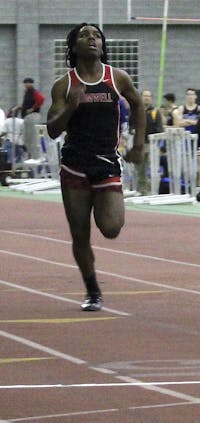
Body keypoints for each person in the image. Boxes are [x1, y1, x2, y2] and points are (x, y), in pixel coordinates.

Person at [46, 22, 145, 311]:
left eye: (97, 36)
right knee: (80, 234)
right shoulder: (64, 85)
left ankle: (93, 285)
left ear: (102, 45)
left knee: (112, 228)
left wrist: (139, 145)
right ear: (73, 47)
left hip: (107, 164)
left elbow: (138, 105)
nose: (92, 39)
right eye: (84, 35)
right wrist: (70, 106)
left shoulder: (117, 77)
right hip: (75, 167)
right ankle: (92, 290)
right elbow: (52, 129)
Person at [133, 89, 164, 195]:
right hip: (139, 144)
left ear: (151, 98)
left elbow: (160, 129)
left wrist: (158, 143)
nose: (146, 98)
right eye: (145, 96)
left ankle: (154, 190)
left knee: (153, 168)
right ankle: (142, 190)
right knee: (140, 168)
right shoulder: (136, 110)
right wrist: (132, 130)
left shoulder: (155, 112)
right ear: (141, 97)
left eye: (149, 96)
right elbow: (131, 125)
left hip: (152, 144)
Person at [13, 77, 45, 160]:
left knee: (33, 137)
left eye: (27, 83)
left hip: (32, 116)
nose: (25, 85)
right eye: (25, 83)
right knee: (27, 138)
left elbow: (41, 99)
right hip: (27, 118)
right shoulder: (27, 93)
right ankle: (30, 155)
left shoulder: (34, 92)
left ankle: (36, 157)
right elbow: (26, 104)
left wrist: (33, 108)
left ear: (31, 83)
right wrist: (19, 107)